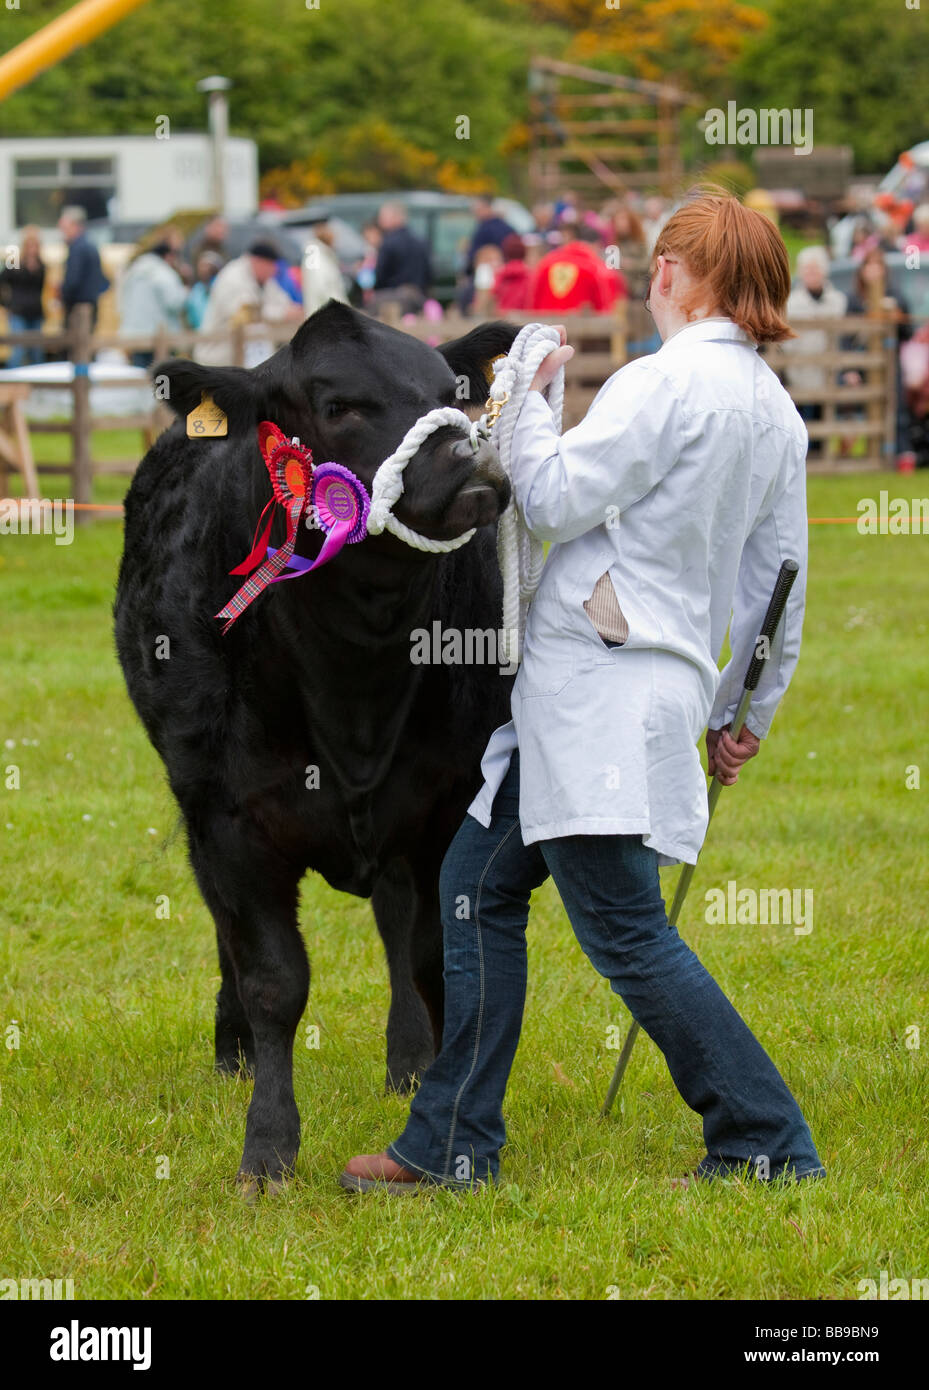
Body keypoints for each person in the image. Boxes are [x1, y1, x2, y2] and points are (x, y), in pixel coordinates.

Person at [341, 189, 825, 1194]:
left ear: (673, 274)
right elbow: (776, 590)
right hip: (620, 694)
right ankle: (450, 1143)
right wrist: (742, 715)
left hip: (600, 695)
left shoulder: (663, 384)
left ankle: (762, 1136)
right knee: (475, 887)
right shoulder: (777, 416)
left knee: (625, 933)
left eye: (660, 267)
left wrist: (518, 394)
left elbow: (554, 495)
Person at [843, 246, 913, 467]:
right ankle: (859, 456)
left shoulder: (895, 296)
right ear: (862, 270)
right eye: (869, 265)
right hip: (862, 363)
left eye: (877, 265)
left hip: (889, 362)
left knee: (896, 407)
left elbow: (907, 332)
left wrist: (895, 317)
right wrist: (849, 369)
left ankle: (901, 454)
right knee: (855, 410)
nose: (873, 271)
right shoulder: (853, 299)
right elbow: (844, 337)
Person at [781, 246, 847, 457]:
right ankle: (802, 455)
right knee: (801, 415)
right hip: (799, 368)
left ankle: (822, 454)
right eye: (807, 270)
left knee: (823, 413)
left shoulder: (837, 300)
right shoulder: (791, 303)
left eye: (815, 269)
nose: (812, 274)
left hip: (826, 368)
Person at [195, 240, 302, 367]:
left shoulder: (263, 279)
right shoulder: (233, 278)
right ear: (258, 261)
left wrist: (295, 311)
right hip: (215, 359)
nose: (274, 271)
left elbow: (282, 300)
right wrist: (283, 314)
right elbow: (246, 313)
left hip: (240, 359)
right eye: (272, 266)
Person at [526, 222, 627, 314]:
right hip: (584, 331)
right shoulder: (596, 270)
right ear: (596, 245)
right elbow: (604, 309)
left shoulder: (545, 264)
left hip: (546, 329)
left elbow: (532, 303)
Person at [118, 239, 188, 368]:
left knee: (140, 376)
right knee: (162, 378)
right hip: (158, 336)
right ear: (168, 256)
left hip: (134, 334)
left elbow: (121, 299)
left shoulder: (133, 271)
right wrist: (185, 292)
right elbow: (174, 302)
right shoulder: (163, 272)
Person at [369, 202, 432, 316]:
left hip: (394, 300)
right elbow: (429, 273)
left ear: (395, 217)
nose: (380, 221)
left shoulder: (388, 242)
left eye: (382, 217)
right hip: (418, 298)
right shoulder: (420, 240)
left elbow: (380, 275)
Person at [58, 205, 109, 331]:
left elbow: (73, 280)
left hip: (79, 308)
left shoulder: (77, 248)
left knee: (78, 347)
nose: (63, 233)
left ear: (75, 226)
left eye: (65, 228)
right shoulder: (90, 245)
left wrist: (63, 294)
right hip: (91, 305)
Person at [0, 225, 46, 367]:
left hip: (35, 312)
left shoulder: (41, 265)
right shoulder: (14, 262)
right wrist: (6, 304)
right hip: (18, 312)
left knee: (36, 352)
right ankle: (11, 385)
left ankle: (38, 386)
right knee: (17, 351)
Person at [492, 233, 532, 313]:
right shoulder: (530, 274)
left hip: (504, 316)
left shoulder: (500, 273)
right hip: (524, 316)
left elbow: (494, 293)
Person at [185, 251, 223, 330]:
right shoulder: (196, 290)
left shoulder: (220, 286)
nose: (203, 269)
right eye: (201, 266)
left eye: (206, 266)